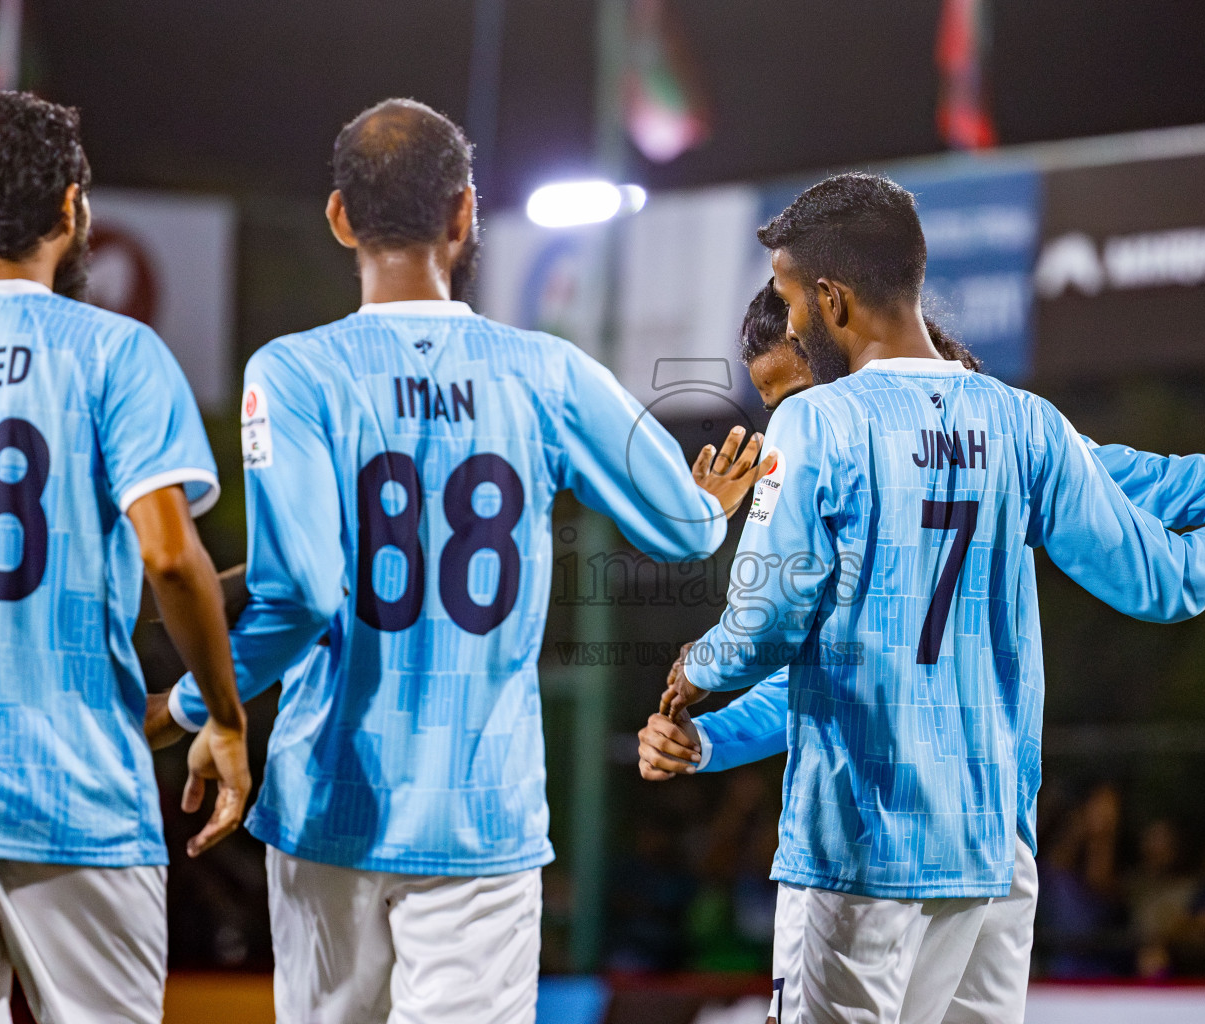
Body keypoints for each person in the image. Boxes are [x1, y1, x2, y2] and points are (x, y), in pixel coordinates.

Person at [660, 173, 1205, 1024]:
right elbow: (1156, 524)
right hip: (992, 849)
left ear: (830, 302)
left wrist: (700, 667)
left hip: (864, 846)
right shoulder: (1022, 428)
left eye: (787, 385)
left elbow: (777, 629)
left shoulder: (825, 427)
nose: (778, 424)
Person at [143, 98, 765, 1024]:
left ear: (341, 217)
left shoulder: (294, 372)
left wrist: (193, 705)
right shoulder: (545, 370)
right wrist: (706, 512)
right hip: (482, 817)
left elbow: (301, 593)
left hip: (328, 806)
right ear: (466, 214)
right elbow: (680, 531)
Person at [0, 90, 250, 1024]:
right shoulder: (115, 351)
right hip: (75, 800)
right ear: (74, 208)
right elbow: (166, 557)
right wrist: (225, 717)